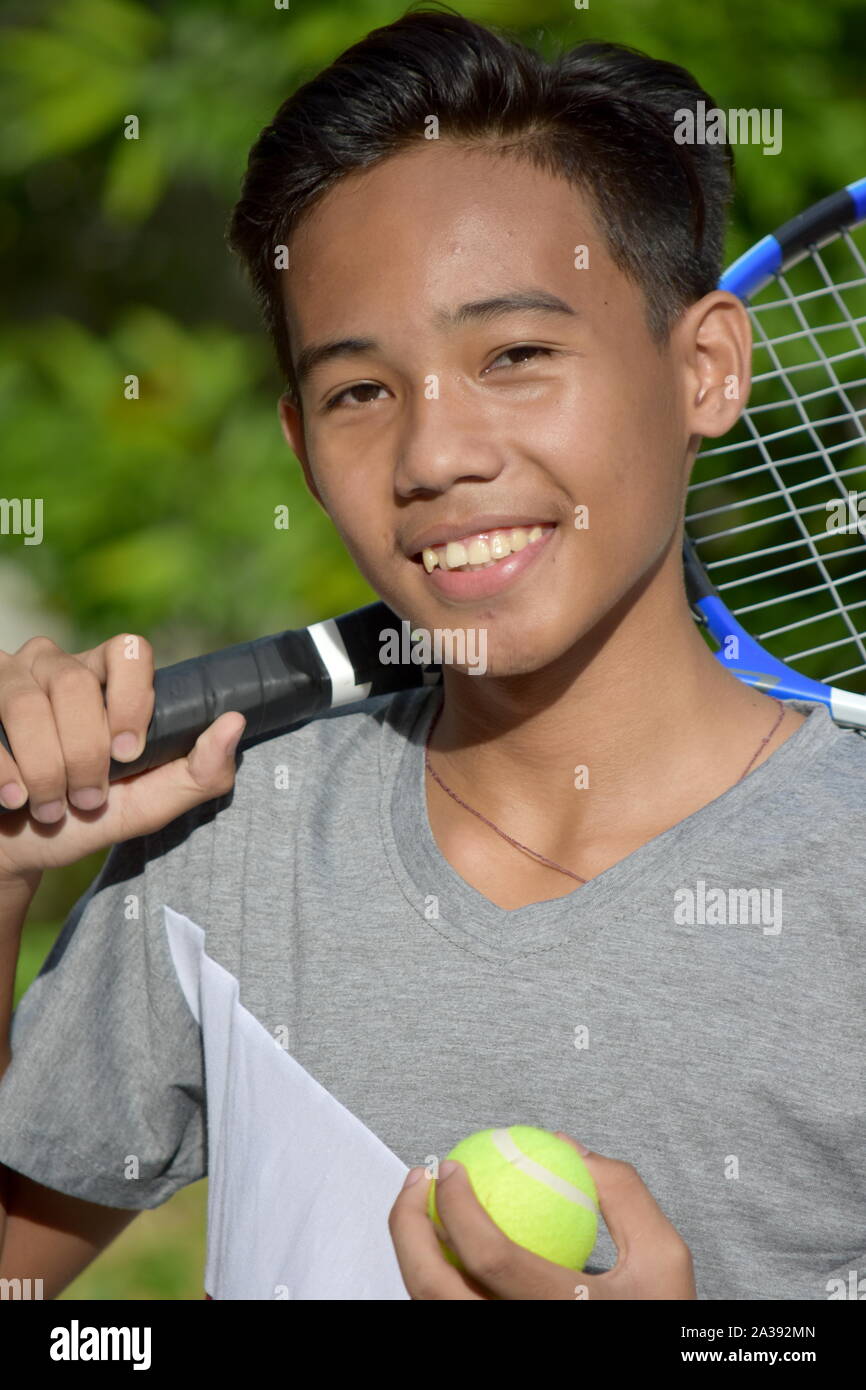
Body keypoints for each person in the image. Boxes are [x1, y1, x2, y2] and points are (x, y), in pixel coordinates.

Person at [0, 8, 863, 1301]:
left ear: (704, 370)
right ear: (300, 442)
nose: (432, 455)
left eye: (514, 354)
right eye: (360, 390)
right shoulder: (223, 844)